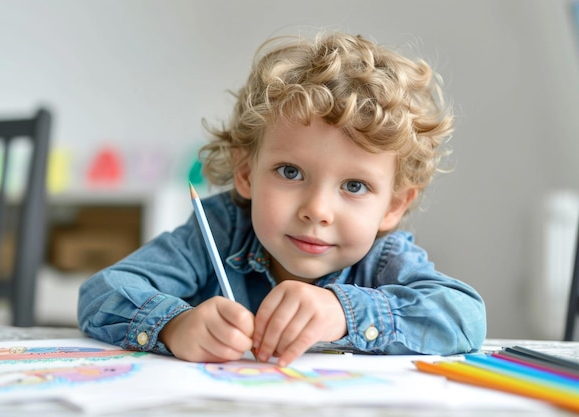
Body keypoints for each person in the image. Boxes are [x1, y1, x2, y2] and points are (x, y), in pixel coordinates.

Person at [78, 31, 486, 368]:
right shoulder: (221, 230)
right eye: (291, 172)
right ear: (245, 173)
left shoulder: (383, 257)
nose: (317, 210)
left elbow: (464, 318)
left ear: (394, 205)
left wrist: (341, 312)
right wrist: (174, 325)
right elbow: (104, 291)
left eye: (355, 186)